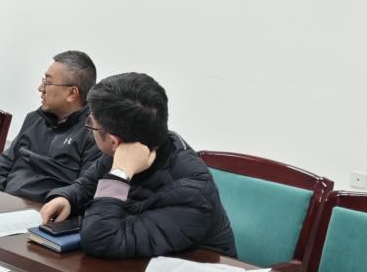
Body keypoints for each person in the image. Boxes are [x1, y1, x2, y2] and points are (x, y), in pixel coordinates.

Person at [39, 72, 237, 259]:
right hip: (136, 266)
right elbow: (86, 186)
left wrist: (120, 174)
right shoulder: (136, 142)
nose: (90, 129)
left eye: (92, 124)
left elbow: (101, 239)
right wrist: (67, 198)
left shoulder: (192, 192)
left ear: (114, 141)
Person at [0, 51, 101, 203]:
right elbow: (3, 165)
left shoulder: (95, 133)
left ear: (72, 93)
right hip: (4, 202)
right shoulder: (34, 119)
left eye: (48, 82)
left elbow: (85, 190)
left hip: (45, 210)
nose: (40, 88)